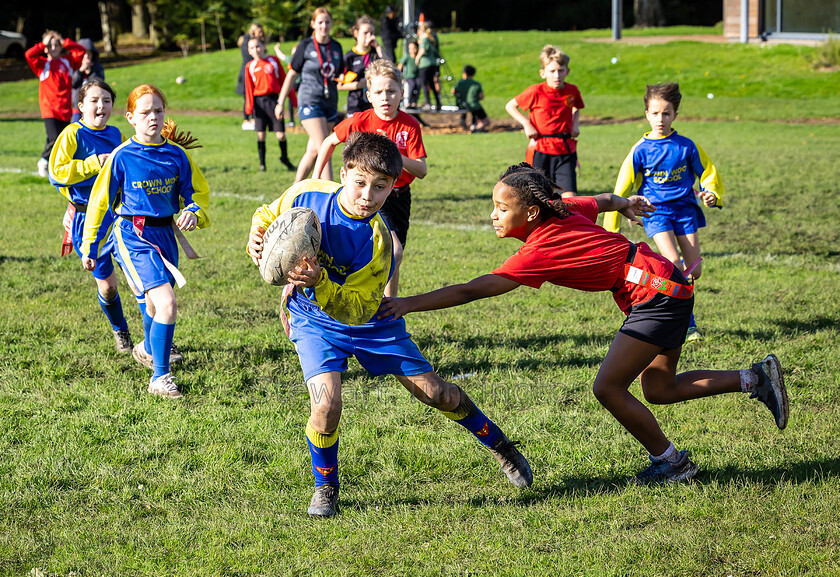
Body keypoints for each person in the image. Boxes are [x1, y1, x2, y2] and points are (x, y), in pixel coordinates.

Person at [378, 162, 788, 485]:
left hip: (656, 295)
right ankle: (754, 379)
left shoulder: (538, 251)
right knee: (659, 388)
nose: (493, 214)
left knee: (608, 387)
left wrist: (406, 304)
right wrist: (624, 203)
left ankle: (672, 464)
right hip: (664, 285)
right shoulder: (560, 209)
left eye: (503, 208)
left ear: (532, 212)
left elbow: (471, 290)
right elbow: (602, 200)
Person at [246, 132, 532, 518]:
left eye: (380, 188)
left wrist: (322, 282)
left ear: (393, 187)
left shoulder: (381, 242)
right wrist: (258, 236)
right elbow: (269, 213)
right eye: (360, 183)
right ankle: (325, 484)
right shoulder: (307, 193)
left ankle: (499, 445)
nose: (368, 195)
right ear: (345, 173)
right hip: (313, 319)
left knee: (437, 394)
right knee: (326, 403)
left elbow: (360, 309)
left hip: (369, 321)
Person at [81, 84, 210, 398]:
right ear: (130, 118)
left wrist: (193, 211)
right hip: (133, 236)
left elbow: (197, 193)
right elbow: (99, 202)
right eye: (145, 112)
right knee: (167, 303)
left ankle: (145, 347)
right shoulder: (122, 156)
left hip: (165, 234)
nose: (153, 117)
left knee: (154, 305)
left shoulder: (177, 155)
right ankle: (160, 378)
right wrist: (90, 244)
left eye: (158, 110)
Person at [604, 82, 724, 342]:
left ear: (675, 116)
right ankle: (688, 324)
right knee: (674, 264)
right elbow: (621, 187)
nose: (661, 119)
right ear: (646, 114)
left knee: (694, 270)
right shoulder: (640, 149)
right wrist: (611, 226)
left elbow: (707, 171)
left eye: (666, 113)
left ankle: (683, 312)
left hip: (685, 211)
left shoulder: (686, 146)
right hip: (656, 213)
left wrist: (711, 193)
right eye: (655, 113)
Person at [312, 59, 426, 297]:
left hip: (397, 198)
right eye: (379, 92)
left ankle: (380, 304)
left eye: (391, 91)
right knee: (392, 251)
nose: (386, 97)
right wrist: (315, 178)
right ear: (369, 95)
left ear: (401, 93)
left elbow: (422, 170)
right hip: (366, 194)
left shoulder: (410, 125)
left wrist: (393, 151)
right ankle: (388, 307)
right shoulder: (361, 121)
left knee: (392, 253)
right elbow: (327, 143)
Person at [49, 78, 138, 354]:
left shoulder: (116, 135)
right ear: (81, 106)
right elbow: (56, 173)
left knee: (142, 279)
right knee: (108, 287)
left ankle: (158, 341)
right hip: (87, 221)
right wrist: (92, 164)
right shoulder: (72, 134)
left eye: (107, 101)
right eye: (95, 100)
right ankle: (120, 330)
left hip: (117, 217)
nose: (101, 105)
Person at [278, 6, 345, 184]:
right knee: (326, 147)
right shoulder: (306, 45)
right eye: (320, 22)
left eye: (327, 22)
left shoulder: (336, 47)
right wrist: (280, 102)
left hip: (330, 102)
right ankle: (329, 193)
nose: (324, 26)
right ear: (313, 24)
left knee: (314, 151)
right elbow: (292, 74)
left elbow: (339, 74)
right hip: (309, 100)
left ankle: (293, 191)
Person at [505, 45, 584, 198]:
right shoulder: (535, 91)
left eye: (560, 71)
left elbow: (577, 107)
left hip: (565, 150)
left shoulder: (572, 91)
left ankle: (567, 222)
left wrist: (575, 124)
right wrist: (527, 124)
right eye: (552, 71)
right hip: (541, 149)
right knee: (539, 197)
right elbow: (510, 106)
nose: (557, 75)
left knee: (570, 198)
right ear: (543, 73)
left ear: (567, 71)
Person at [25, 30, 86, 177]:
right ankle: (44, 161)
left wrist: (65, 42)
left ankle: (57, 166)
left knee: (61, 138)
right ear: (45, 47)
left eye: (56, 44)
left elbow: (81, 51)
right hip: (49, 109)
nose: (53, 47)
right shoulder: (41, 64)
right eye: (50, 45)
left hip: (65, 109)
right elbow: (29, 55)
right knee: (54, 138)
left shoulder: (68, 62)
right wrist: (42, 44)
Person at [244, 37, 296, 172]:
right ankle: (262, 164)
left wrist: (293, 99)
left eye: (257, 46)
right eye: (252, 48)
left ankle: (284, 157)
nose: (255, 50)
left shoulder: (273, 61)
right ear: (249, 51)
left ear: (263, 46)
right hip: (259, 103)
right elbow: (248, 89)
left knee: (281, 135)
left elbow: (285, 80)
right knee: (261, 134)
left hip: (274, 101)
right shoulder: (250, 66)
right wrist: (249, 108)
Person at [340, 15, 383, 117]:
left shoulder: (376, 53)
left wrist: (378, 47)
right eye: (365, 33)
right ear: (356, 33)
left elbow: (390, 68)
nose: (369, 36)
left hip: (374, 105)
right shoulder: (349, 56)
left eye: (372, 33)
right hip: (356, 105)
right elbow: (339, 85)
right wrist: (358, 85)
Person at [236, 23, 265, 131]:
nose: (262, 34)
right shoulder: (248, 42)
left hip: (254, 71)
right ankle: (246, 120)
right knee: (247, 96)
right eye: (260, 31)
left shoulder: (254, 41)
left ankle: (254, 119)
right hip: (248, 71)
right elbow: (249, 56)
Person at [70, 39, 105, 123]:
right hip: (77, 108)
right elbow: (73, 83)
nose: (86, 56)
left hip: (93, 108)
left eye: (89, 54)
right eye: (84, 54)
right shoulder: (75, 67)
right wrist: (80, 71)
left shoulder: (97, 67)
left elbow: (99, 83)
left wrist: (90, 72)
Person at [453, 64, 490, 133]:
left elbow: (453, 91)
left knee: (472, 112)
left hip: (462, 104)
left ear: (464, 74)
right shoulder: (476, 84)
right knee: (486, 121)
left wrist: (459, 96)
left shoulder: (460, 82)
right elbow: (481, 97)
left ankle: (464, 120)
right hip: (473, 104)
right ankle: (476, 128)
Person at [415, 22, 440, 111]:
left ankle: (428, 103)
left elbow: (422, 50)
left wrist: (417, 58)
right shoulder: (431, 38)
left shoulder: (424, 38)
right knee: (432, 83)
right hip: (433, 63)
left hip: (425, 64)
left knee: (424, 83)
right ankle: (438, 102)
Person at [398, 40, 419, 108]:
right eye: (410, 48)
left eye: (413, 48)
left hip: (417, 76)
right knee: (412, 85)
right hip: (409, 76)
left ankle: (414, 102)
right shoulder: (407, 57)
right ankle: (409, 102)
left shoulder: (418, 57)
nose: (412, 50)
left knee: (418, 85)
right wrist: (399, 78)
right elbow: (400, 66)